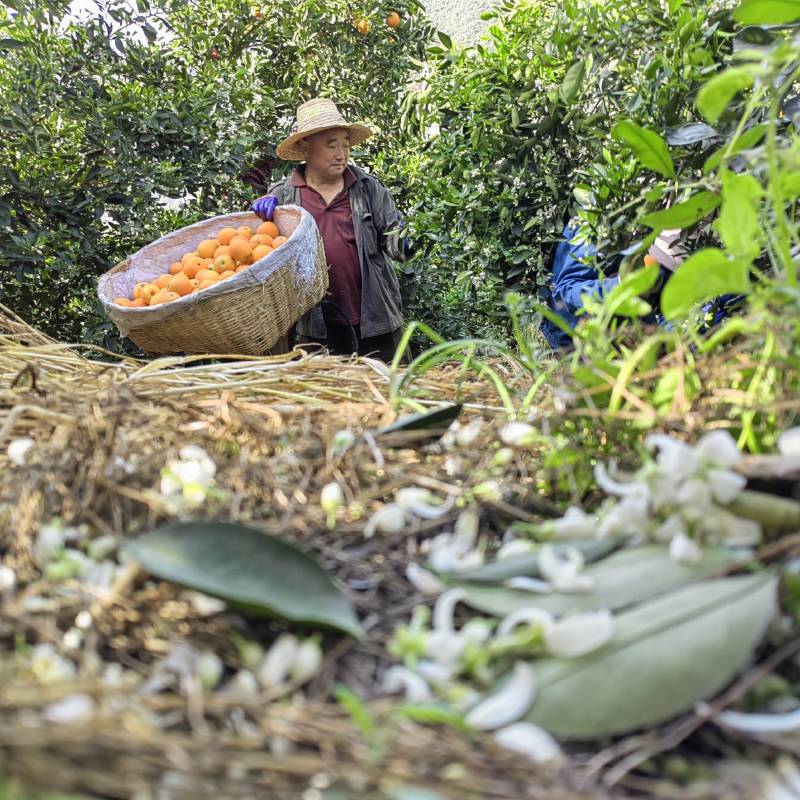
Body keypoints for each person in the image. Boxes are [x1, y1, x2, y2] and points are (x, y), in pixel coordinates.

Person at [252, 98, 410, 362]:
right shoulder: (284, 197)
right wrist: (259, 219)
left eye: (345, 145)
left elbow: (393, 235)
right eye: (331, 145)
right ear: (305, 147)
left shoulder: (367, 188)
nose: (341, 154)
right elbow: (261, 256)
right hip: (316, 326)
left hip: (376, 319)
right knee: (329, 397)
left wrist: (406, 243)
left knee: (386, 393)